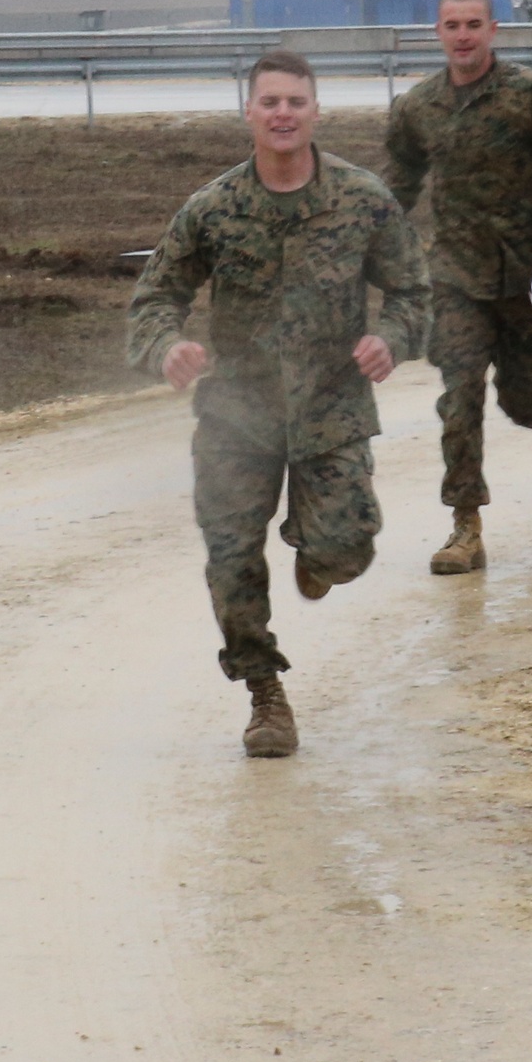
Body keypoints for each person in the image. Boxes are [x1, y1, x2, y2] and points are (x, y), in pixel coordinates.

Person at [127, 50, 430, 758]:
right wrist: (166, 347)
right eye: (271, 103)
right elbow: (155, 298)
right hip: (237, 417)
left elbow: (415, 293)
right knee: (231, 559)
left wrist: (391, 338)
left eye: (296, 101)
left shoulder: (363, 200)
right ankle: (265, 694)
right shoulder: (213, 208)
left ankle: (316, 548)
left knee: (347, 550)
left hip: (332, 412)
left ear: (316, 112)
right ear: (250, 115)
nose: (284, 114)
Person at [385, 0, 532, 574]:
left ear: (493, 30)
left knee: (520, 404)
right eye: (453, 25)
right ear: (439, 33)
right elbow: (395, 187)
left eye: (474, 24)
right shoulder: (417, 108)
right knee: (460, 393)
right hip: (455, 276)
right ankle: (465, 526)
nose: (464, 35)